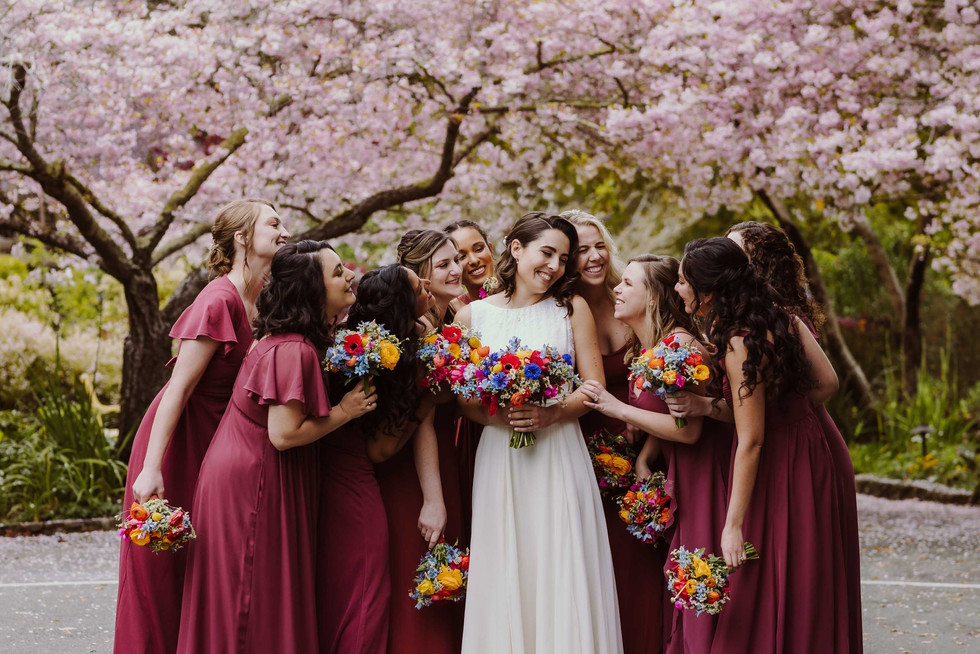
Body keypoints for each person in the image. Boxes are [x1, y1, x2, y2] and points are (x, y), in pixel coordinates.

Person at [672, 222, 862, 651]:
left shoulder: (739, 340)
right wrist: (782, 414)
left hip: (776, 462)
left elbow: (752, 438)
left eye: (684, 280)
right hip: (811, 450)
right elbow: (827, 383)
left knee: (763, 574)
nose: (678, 287)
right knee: (804, 574)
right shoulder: (784, 319)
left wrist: (732, 525)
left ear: (709, 289)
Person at [176, 240, 374, 652]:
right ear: (311, 290)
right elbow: (283, 435)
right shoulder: (293, 350)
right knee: (253, 597)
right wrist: (345, 411)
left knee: (250, 596)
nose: (350, 276)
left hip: (247, 471)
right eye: (337, 273)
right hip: (256, 481)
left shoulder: (288, 339)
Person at [114, 199, 288, 654]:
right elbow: (176, 390)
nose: (284, 231)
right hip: (181, 442)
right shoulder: (218, 300)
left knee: (209, 569)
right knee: (167, 572)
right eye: (273, 223)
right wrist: (152, 469)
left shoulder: (263, 299)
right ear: (242, 237)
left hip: (221, 444)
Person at [456, 212, 623, 654]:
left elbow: (594, 386)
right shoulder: (472, 315)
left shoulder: (571, 309)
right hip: (500, 456)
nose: (554, 266)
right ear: (516, 249)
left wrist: (552, 414)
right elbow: (463, 400)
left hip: (559, 452)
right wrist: (503, 417)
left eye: (562, 259)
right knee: (508, 564)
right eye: (546, 253)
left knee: (560, 560)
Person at [582, 255, 734, 654]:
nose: (617, 289)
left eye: (628, 284)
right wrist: (646, 456)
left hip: (700, 473)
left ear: (651, 298)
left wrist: (618, 410)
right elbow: (663, 413)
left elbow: (689, 430)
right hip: (673, 473)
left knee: (696, 576)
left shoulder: (678, 345)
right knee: (679, 579)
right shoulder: (649, 346)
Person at [318, 263, 434, 654]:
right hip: (350, 480)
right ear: (404, 304)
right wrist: (429, 401)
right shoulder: (375, 361)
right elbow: (380, 449)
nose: (429, 287)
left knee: (348, 590)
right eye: (421, 286)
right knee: (366, 588)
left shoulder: (368, 342)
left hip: (330, 475)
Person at [564, 211, 664, 654]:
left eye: (598, 245)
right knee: (594, 563)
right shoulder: (557, 311)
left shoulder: (634, 295)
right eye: (581, 250)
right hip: (583, 449)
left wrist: (645, 447)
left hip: (649, 441)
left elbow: (668, 372)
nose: (594, 256)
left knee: (643, 560)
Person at [375, 230, 466, 653]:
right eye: (443, 264)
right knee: (421, 569)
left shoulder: (456, 319)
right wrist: (433, 497)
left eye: (456, 259)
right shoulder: (420, 334)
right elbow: (423, 420)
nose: (457, 269)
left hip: (451, 456)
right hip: (415, 469)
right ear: (419, 277)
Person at [445, 219, 496, 313]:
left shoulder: (520, 293)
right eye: (461, 257)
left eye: (479, 249)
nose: (474, 261)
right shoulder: (450, 312)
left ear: (491, 249)